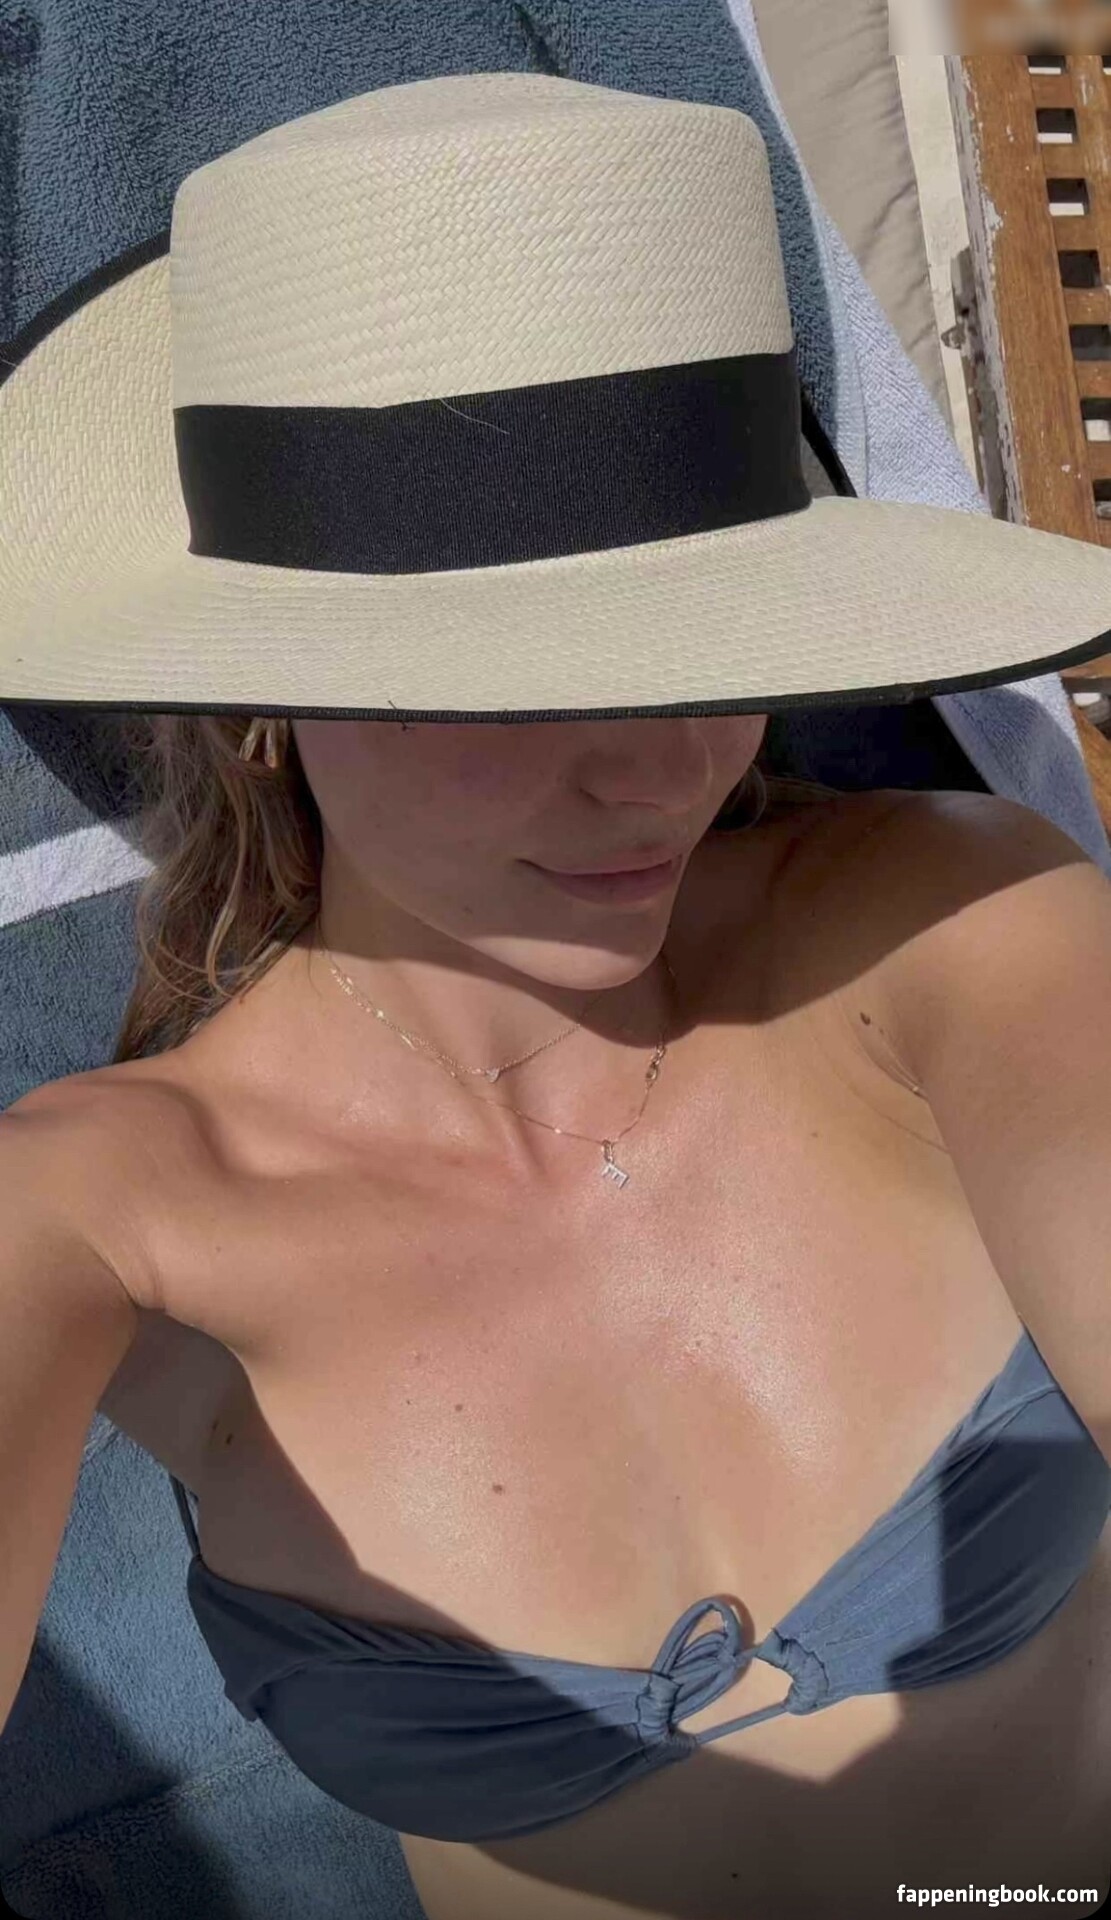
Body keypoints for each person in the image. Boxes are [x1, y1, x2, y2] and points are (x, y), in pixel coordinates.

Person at [2, 70, 1110, 1920]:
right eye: (512, 682)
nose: (663, 770)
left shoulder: (953, 931)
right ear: (265, 685)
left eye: (722, 634)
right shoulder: (106, 1217)